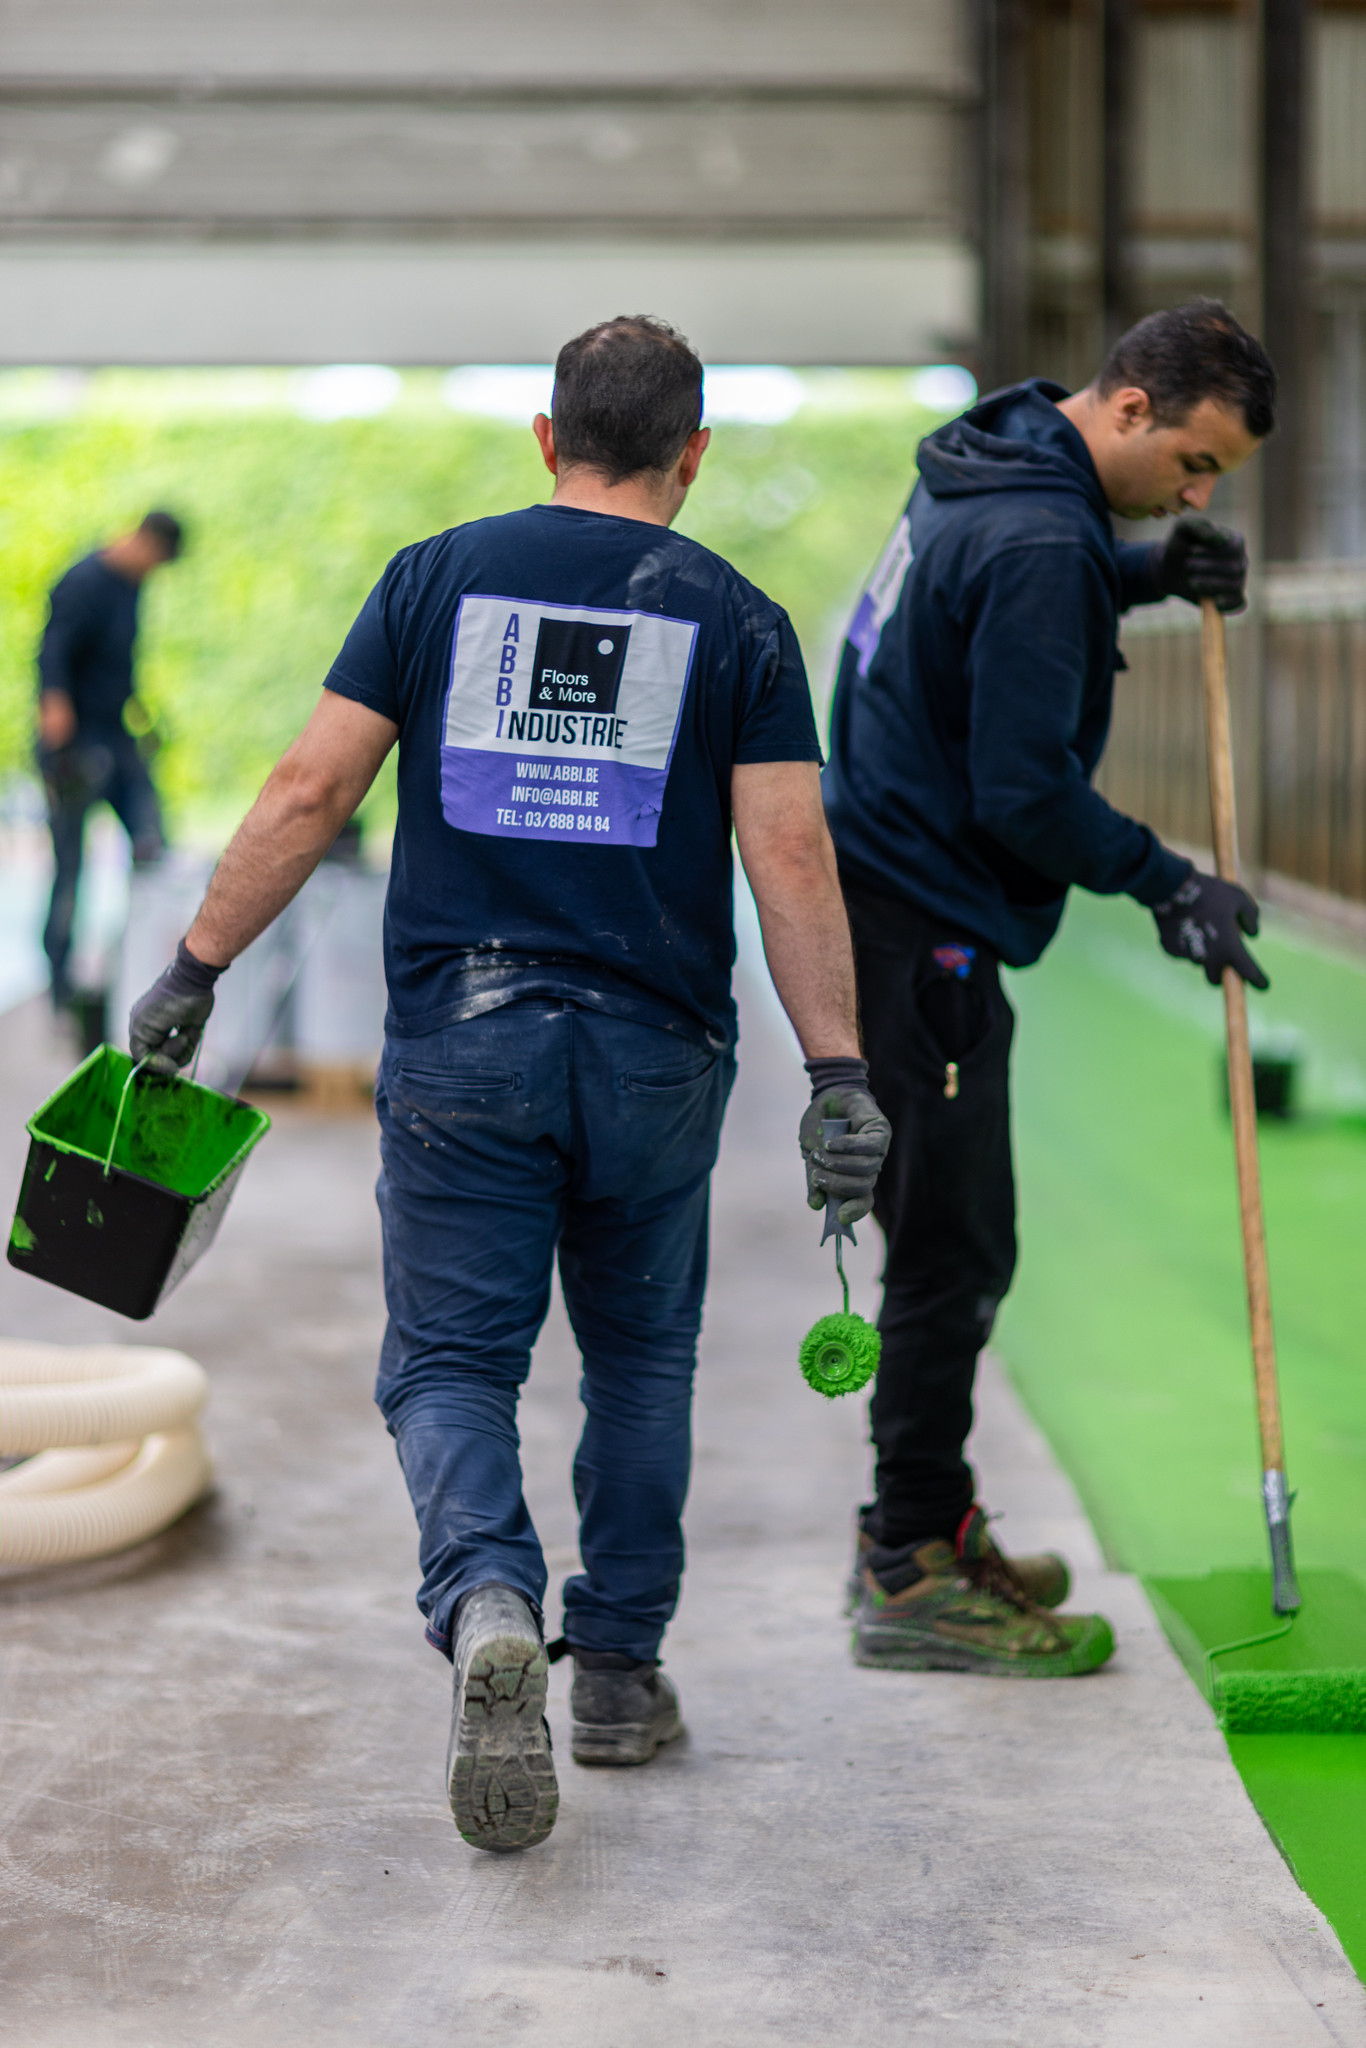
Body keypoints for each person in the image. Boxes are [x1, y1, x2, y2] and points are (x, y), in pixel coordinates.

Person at [126, 317, 891, 1853]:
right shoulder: (734, 619)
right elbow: (787, 854)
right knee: (641, 1365)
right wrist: (837, 1074)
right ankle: (612, 1674)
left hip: (464, 1045)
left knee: (452, 1367)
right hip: (657, 1054)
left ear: (546, 441)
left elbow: (307, 789)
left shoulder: (433, 579)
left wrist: (197, 968)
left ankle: (486, 1594)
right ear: (693, 457)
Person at [823, 298, 1274, 1677]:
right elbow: (1023, 793)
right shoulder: (1034, 534)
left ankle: (928, 1520)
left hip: (882, 898)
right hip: (926, 930)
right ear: (1128, 409)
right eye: (1191, 465)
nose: (1195, 492)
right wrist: (1167, 883)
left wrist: (1142, 570)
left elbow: (994, 604)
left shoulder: (999, 459)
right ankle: (907, 1563)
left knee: (951, 1241)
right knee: (953, 1253)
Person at [37, 509, 184, 1008]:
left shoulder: (131, 586)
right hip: (76, 742)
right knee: (70, 866)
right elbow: (51, 657)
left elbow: (120, 665)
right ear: (145, 542)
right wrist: (58, 742)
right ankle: (59, 987)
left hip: (115, 735)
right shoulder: (82, 581)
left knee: (152, 842)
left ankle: (149, 969)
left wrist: (141, 716)